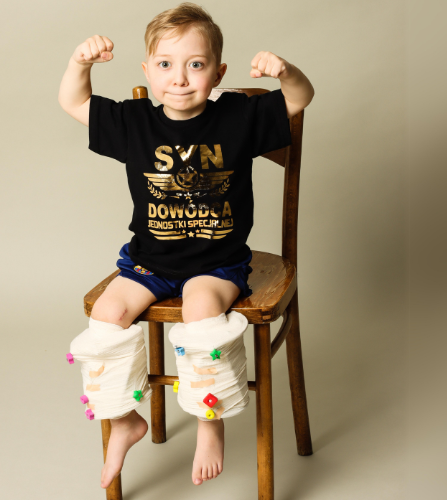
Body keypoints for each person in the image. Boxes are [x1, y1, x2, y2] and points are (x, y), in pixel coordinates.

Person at [58, 2, 314, 490]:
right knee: (106, 315)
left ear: (218, 73)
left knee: (200, 314)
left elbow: (301, 98)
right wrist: (79, 62)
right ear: (147, 71)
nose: (179, 78)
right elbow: (74, 102)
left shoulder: (239, 116)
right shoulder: (134, 121)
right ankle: (123, 419)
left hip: (218, 265)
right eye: (165, 64)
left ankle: (208, 424)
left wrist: (286, 73)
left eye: (195, 64)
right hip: (149, 263)